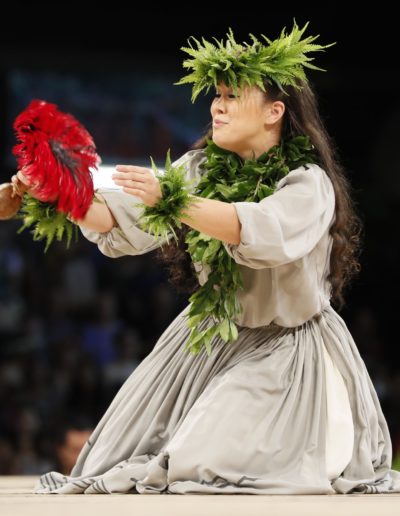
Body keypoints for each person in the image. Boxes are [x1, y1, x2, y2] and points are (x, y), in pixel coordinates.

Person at [15, 22, 400, 495]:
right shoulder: (196, 170)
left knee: (204, 461)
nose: (218, 106)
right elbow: (121, 221)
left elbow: (256, 230)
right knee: (115, 454)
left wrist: (172, 202)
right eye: (217, 96)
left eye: (233, 96)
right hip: (207, 341)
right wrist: (61, 190)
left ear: (274, 111)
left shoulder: (306, 183)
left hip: (287, 349)